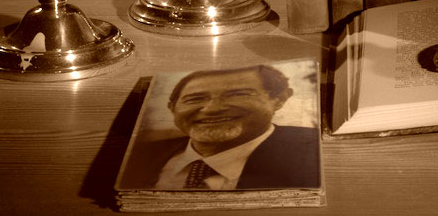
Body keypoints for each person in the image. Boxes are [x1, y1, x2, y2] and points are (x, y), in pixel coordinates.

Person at [118, 65, 321, 191]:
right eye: (194, 99)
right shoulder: (143, 154)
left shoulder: (310, 153)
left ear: (279, 99)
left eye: (238, 95)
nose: (212, 109)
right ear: (172, 107)